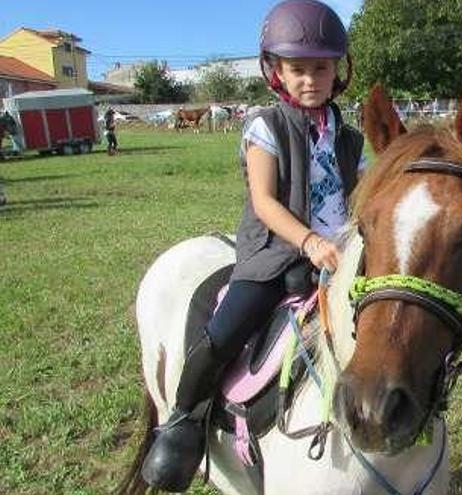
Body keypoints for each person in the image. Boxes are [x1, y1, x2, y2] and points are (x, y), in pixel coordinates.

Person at [140, 1, 365, 491]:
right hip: (276, 256)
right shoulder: (266, 126)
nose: (310, 79)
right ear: (276, 72)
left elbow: (365, 195)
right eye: (298, 69)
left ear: (337, 71)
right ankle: (181, 422)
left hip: (340, 260)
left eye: (320, 68)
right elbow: (264, 202)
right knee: (224, 331)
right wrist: (308, 242)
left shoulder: (350, 139)